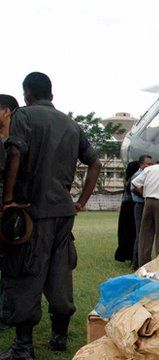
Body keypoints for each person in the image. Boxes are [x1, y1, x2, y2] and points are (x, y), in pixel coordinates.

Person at [1, 72, 101, 357]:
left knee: (24, 273)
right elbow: (94, 163)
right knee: (60, 272)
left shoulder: (24, 116)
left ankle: (23, 346)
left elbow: (16, 154)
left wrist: (8, 199)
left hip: (31, 212)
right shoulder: (72, 124)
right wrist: (81, 201)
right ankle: (59, 337)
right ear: (51, 94)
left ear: (27, 93)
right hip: (62, 212)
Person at [0, 94, 19, 332]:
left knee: (9, 265)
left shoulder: (13, 143)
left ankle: (6, 314)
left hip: (9, 214)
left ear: (7, 112)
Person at [130, 155, 153, 270]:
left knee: (144, 234)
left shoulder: (146, 174)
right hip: (140, 206)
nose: (150, 166)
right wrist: (145, 196)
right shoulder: (138, 175)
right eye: (147, 164)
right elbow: (133, 187)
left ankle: (140, 260)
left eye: (151, 164)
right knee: (140, 234)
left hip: (145, 205)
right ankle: (136, 262)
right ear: (141, 164)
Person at [114, 161, 139, 263]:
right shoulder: (135, 179)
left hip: (125, 207)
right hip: (131, 206)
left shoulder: (127, 179)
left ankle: (124, 254)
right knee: (132, 231)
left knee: (124, 231)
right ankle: (131, 254)